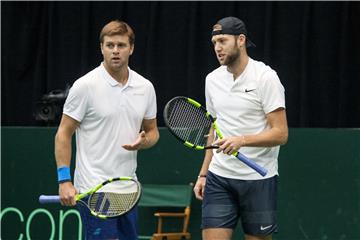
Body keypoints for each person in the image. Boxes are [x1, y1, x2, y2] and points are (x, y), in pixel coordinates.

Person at [54, 20, 159, 239]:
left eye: (121, 45)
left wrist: (145, 141)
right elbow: (64, 133)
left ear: (131, 48)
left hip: (129, 190)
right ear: (101, 48)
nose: (115, 51)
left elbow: (152, 132)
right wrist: (64, 180)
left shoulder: (145, 87)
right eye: (109, 45)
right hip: (95, 191)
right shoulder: (85, 86)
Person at [193, 17, 288, 240]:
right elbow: (214, 129)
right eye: (214, 42)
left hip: (259, 180)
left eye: (223, 41)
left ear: (241, 40)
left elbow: (281, 133)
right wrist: (204, 174)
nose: (217, 47)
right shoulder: (212, 79)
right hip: (219, 178)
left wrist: (242, 140)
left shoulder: (266, 78)